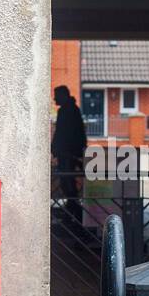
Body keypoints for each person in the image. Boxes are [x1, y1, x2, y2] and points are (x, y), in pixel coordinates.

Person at [51, 85, 86, 222]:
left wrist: (55, 148)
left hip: (67, 154)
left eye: (56, 95)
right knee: (68, 184)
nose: (54, 99)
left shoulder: (66, 111)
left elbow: (62, 134)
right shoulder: (72, 109)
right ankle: (73, 214)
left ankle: (76, 215)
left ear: (63, 96)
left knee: (68, 185)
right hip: (70, 153)